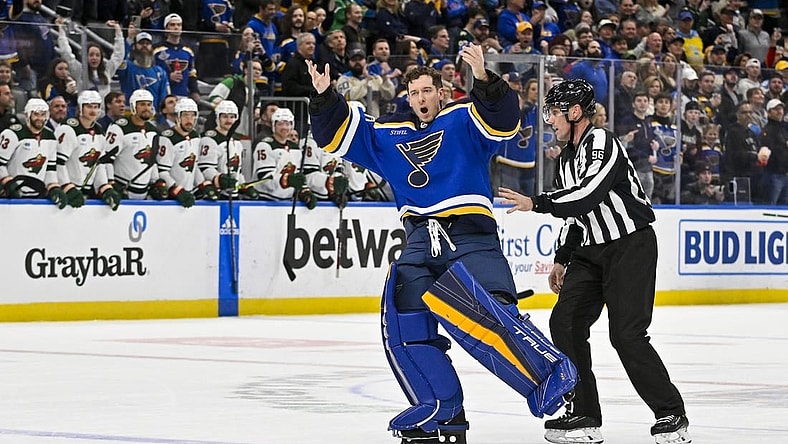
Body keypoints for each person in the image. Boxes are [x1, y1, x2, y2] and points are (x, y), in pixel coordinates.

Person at [305, 43, 577, 443]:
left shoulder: (465, 118)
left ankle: (553, 373)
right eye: (414, 93)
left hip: (469, 233)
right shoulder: (385, 136)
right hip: (419, 238)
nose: (420, 99)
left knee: (489, 310)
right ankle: (439, 406)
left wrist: (484, 77)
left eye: (427, 91)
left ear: (442, 92)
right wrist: (325, 97)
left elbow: (505, 121)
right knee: (403, 318)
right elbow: (337, 137)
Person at [498, 79, 691, 444]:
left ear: (574, 113)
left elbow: (588, 195)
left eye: (554, 113)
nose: (550, 121)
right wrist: (562, 258)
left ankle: (671, 414)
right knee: (565, 323)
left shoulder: (602, 142)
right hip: (589, 252)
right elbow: (576, 217)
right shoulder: (567, 157)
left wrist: (536, 203)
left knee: (626, 335)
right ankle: (585, 414)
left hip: (629, 245)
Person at [54, 90, 120, 210]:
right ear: (80, 107)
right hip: (67, 193)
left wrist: (104, 188)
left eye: (96, 107)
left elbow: (99, 164)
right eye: (89, 107)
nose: (93, 110)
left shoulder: (99, 130)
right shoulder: (68, 128)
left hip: (87, 194)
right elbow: (58, 162)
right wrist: (67, 187)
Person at [0, 98, 67, 208]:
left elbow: (50, 168)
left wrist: (53, 187)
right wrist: (7, 182)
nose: (40, 118)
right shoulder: (12, 134)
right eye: (36, 114)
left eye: (43, 114)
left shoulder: (50, 136)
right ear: (27, 114)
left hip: (39, 196)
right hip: (12, 196)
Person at [251, 107, 317, 209]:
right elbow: (264, 178)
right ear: (274, 125)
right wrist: (287, 180)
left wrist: (305, 192)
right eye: (280, 124)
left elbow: (298, 176)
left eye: (288, 124)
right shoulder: (264, 145)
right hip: (266, 201)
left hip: (287, 202)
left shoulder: (295, 148)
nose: (284, 127)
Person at [104, 89, 160, 199]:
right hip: (122, 189)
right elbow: (106, 159)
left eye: (149, 104)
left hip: (144, 192)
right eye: (142, 104)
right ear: (133, 106)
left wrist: (155, 182)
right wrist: (111, 183)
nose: (146, 108)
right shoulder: (119, 127)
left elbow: (152, 161)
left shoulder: (153, 131)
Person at [198, 100, 259, 200]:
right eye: (225, 116)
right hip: (214, 196)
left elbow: (237, 171)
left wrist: (245, 186)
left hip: (233, 195)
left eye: (232, 117)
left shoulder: (237, 142)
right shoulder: (210, 139)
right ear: (218, 118)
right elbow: (205, 169)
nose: (229, 120)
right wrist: (220, 179)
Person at [151, 97, 200, 207]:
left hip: (189, 195)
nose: (189, 119)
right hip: (171, 198)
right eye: (185, 115)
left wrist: (203, 185)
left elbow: (194, 166)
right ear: (178, 117)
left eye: (192, 115)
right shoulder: (167, 137)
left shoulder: (195, 136)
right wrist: (177, 190)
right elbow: (162, 171)